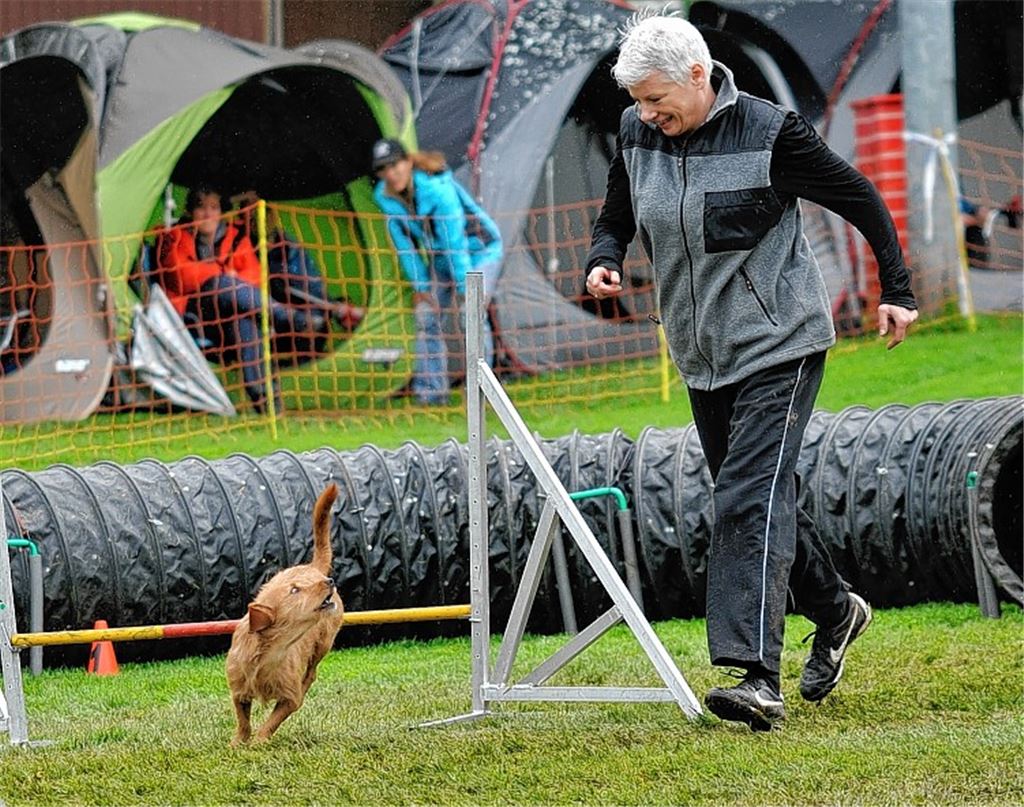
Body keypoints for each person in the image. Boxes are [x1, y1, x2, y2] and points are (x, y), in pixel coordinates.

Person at [585, 14, 918, 731]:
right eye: (638, 101)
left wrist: (897, 287)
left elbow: (859, 195)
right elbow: (617, 212)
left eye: (656, 99)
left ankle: (754, 674)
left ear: (699, 76)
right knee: (764, 499)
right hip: (702, 357)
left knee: (745, 494)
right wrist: (602, 256)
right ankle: (836, 610)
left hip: (782, 343)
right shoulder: (638, 132)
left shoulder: (771, 132)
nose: (647, 114)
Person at [156, 183, 322, 414]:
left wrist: (231, 282)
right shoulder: (173, 237)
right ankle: (286, 317)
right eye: (201, 207)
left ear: (221, 211)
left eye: (213, 207)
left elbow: (256, 278)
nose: (207, 213)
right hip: (195, 316)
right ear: (189, 212)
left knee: (245, 319)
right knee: (224, 284)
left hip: (231, 316)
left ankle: (267, 403)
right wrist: (226, 277)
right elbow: (181, 276)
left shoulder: (236, 237)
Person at [371, 139, 503, 405]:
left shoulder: (438, 191)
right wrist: (421, 288)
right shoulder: (386, 200)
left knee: (471, 315)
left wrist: (467, 290)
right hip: (442, 260)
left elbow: (456, 243)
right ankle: (431, 393)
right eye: (383, 169)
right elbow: (405, 246)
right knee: (425, 316)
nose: (390, 173)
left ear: (408, 162)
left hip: (480, 252)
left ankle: (482, 392)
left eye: (394, 165)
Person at [232, 190, 364, 333]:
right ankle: (336, 310)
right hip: (263, 309)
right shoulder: (239, 244)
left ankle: (338, 310)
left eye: (264, 212)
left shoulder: (288, 244)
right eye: (251, 217)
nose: (259, 220)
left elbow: (309, 282)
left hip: (297, 303)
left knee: (308, 309)